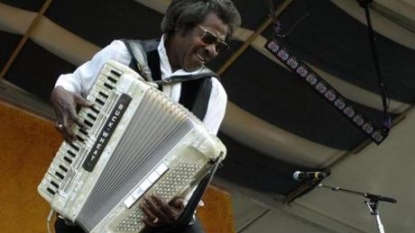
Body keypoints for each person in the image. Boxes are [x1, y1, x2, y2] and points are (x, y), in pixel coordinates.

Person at [50, 0, 241, 232]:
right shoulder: (122, 54)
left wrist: (183, 206)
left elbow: (204, 162)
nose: (212, 50)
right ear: (181, 25)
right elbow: (74, 83)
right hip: (85, 196)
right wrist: (61, 92)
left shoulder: (213, 93)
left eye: (220, 46)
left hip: (152, 217)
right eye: (209, 38)